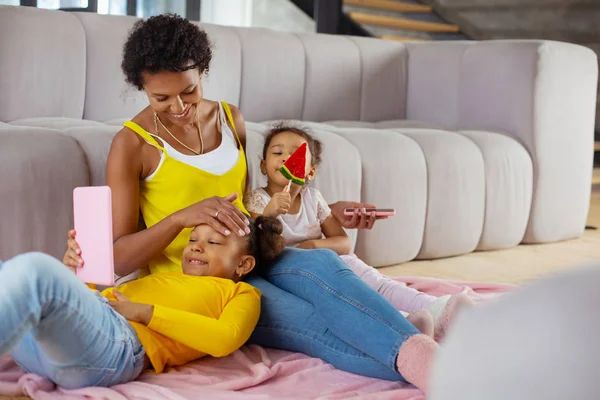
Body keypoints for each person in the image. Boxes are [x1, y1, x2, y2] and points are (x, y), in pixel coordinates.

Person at [63, 14, 438, 392]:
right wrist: (181, 218)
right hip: (200, 281)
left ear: (203, 72)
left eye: (188, 92)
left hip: (251, 258)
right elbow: (118, 257)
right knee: (311, 323)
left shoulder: (231, 119)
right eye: (161, 98)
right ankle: (426, 360)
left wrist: (327, 210)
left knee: (322, 262)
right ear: (141, 87)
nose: (178, 107)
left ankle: (413, 342)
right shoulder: (132, 144)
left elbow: (248, 208)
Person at [244, 123, 474, 340]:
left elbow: (343, 242)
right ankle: (403, 324)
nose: (286, 158)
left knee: (376, 282)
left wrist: (313, 246)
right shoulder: (257, 199)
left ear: (310, 173)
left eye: (296, 154)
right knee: (352, 296)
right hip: (292, 272)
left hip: (326, 260)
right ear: (264, 165)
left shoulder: (313, 199)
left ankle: (439, 308)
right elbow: (259, 244)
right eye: (277, 153)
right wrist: (269, 213)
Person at [1, 216, 284, 389]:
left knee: (36, 269)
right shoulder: (165, 278)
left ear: (244, 264)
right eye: (194, 238)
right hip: (50, 350)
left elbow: (225, 339)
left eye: (214, 243)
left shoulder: (240, 294)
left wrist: (145, 313)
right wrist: (74, 272)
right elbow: (89, 310)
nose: (196, 246)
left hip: (117, 348)